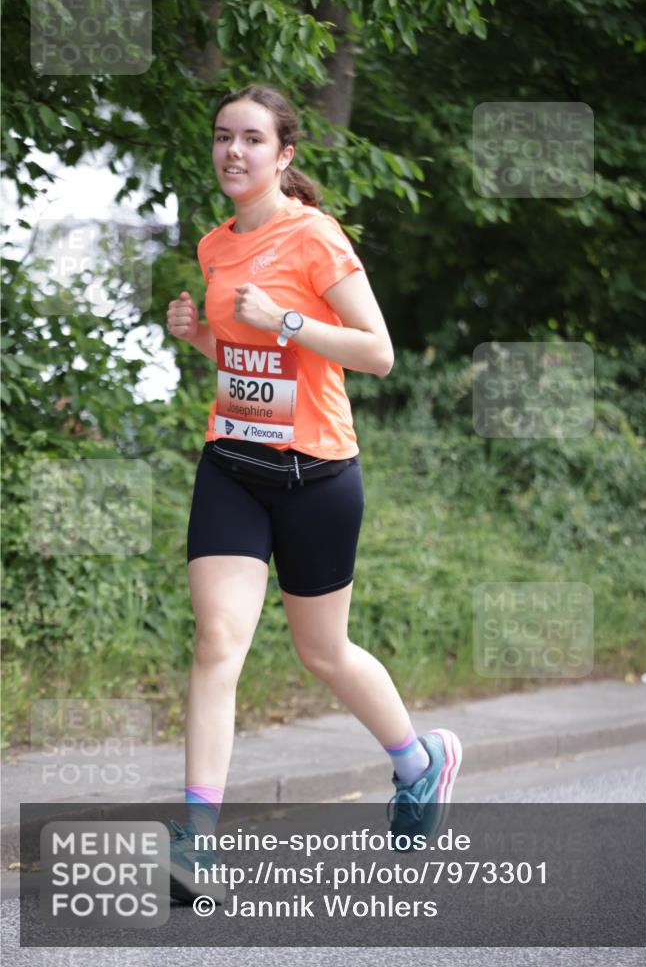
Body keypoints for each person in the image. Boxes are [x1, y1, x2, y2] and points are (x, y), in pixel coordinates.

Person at [166, 84, 462, 903]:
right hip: (232, 463)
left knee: (322, 652)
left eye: (251, 138)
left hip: (315, 474)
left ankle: (418, 761)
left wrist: (285, 320)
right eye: (222, 136)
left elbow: (377, 353)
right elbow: (249, 368)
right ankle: (198, 844)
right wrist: (201, 338)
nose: (232, 151)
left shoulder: (314, 236)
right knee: (217, 642)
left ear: (283, 154)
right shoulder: (214, 245)